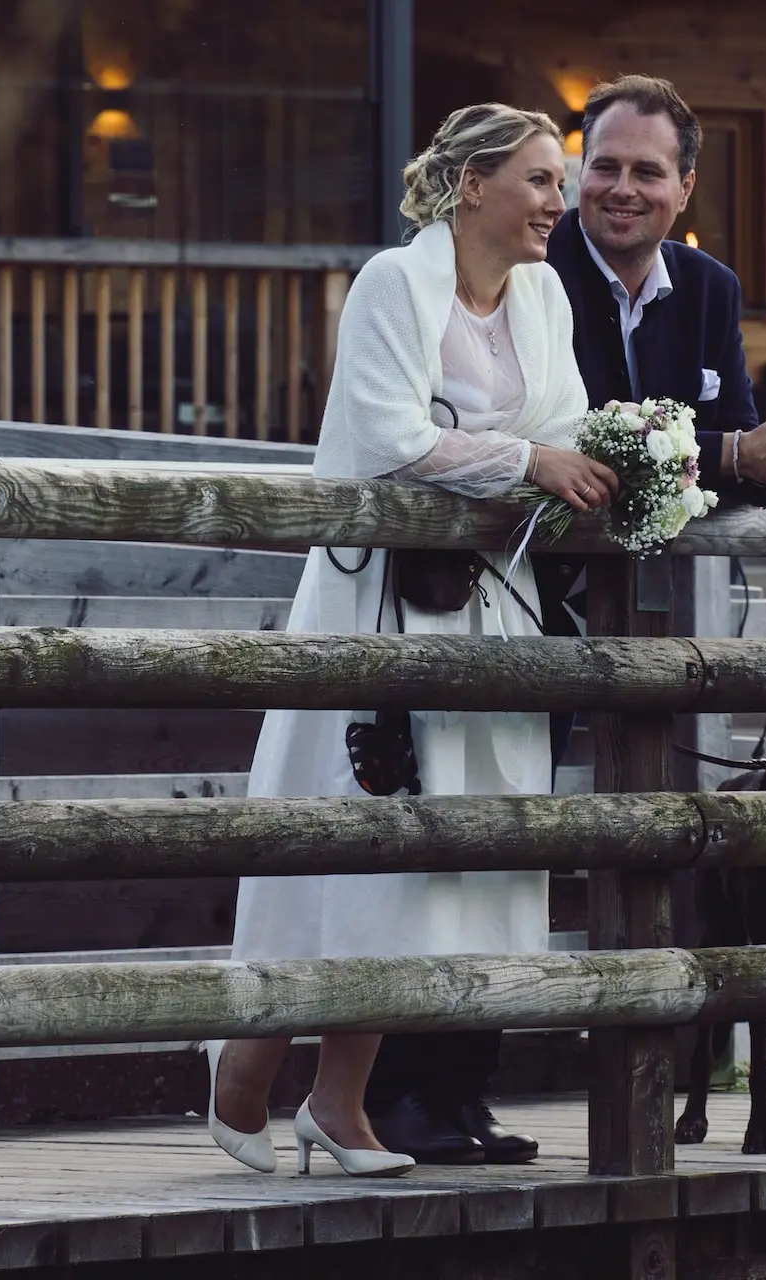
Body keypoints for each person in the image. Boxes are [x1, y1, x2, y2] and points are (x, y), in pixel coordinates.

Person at [362, 73, 766, 1164]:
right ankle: (399, 1087)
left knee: (522, 846)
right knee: (442, 841)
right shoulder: (533, 261)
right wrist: (725, 450)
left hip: (589, 623)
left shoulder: (708, 289)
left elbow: (715, 445)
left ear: (685, 186)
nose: (615, 192)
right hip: (471, 596)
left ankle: (464, 1085)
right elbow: (602, 441)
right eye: (598, 170)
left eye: (644, 172)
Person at [203, 103, 615, 1176]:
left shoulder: (545, 292)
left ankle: (340, 1104)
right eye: (537, 180)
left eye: (558, 184)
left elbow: (564, 423)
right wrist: (521, 463)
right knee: (348, 830)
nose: (555, 205)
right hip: (373, 602)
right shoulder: (395, 282)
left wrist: (557, 458)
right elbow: (390, 434)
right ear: (472, 185)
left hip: (488, 606)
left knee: (432, 862)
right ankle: (244, 1075)